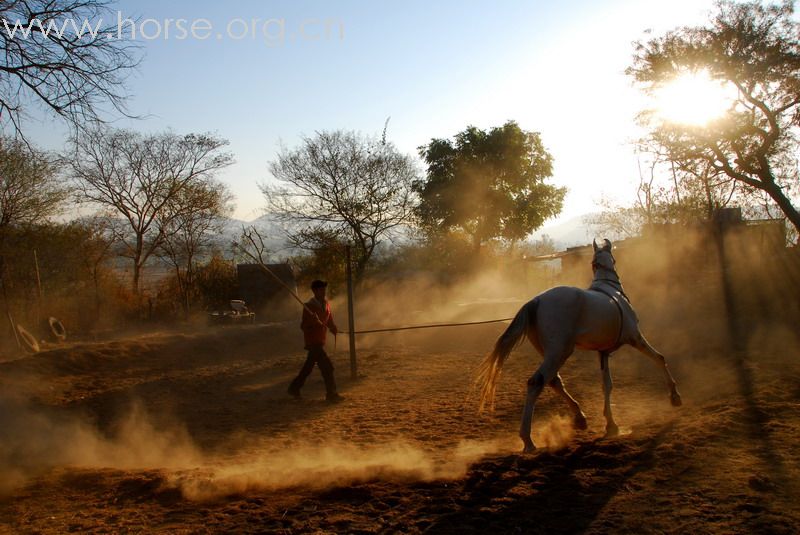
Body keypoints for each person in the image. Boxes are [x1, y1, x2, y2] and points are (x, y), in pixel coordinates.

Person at [288, 279, 344, 402]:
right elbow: (304, 326)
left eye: (324, 289)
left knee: (308, 368)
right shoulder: (308, 306)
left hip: (320, 340)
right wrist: (313, 321)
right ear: (314, 291)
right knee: (327, 367)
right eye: (321, 289)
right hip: (313, 342)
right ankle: (331, 394)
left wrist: (333, 327)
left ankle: (294, 388)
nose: (323, 292)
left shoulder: (326, 304)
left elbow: (329, 320)